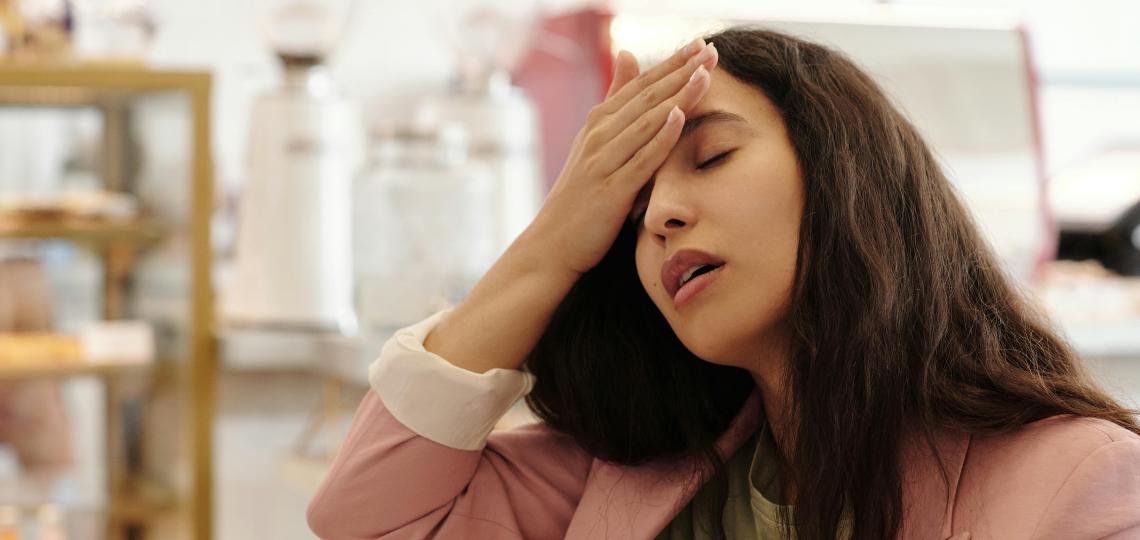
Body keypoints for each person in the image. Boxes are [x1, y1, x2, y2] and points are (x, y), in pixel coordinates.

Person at [307, 26, 1140, 539]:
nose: (661, 213)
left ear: (845, 176)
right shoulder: (622, 481)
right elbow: (367, 519)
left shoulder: (1080, 482)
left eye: (712, 156)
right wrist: (554, 240)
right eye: (632, 208)